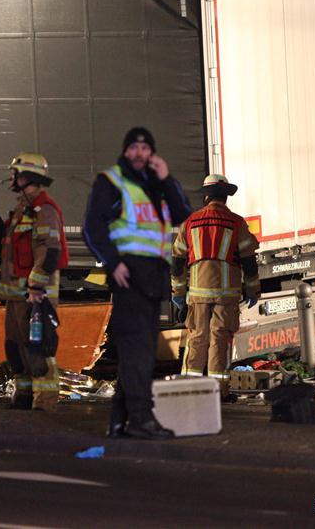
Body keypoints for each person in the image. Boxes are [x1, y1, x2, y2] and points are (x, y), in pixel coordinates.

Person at [83, 127, 192, 439]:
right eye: (134, 147)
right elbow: (92, 227)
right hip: (129, 277)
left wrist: (166, 178)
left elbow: (182, 214)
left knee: (138, 351)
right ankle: (141, 419)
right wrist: (112, 262)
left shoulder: (155, 185)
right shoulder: (112, 182)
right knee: (139, 352)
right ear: (125, 150)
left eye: (145, 148)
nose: (140, 153)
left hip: (152, 280)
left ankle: (119, 421)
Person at [0, 153, 68, 412]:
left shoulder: (45, 209)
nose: (12, 178)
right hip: (15, 294)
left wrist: (36, 287)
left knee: (38, 348)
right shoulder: (23, 209)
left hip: (34, 295)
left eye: (15, 173)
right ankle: (23, 396)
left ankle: (44, 402)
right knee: (15, 347)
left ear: (27, 176)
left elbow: (49, 250)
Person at [171, 174, 260, 402]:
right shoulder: (236, 223)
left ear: (206, 197)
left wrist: (179, 294)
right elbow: (249, 260)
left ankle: (190, 390)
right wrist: (252, 289)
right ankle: (217, 393)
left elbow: (177, 262)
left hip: (197, 294)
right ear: (225, 198)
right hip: (226, 295)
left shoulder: (190, 223)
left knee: (197, 338)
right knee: (219, 340)